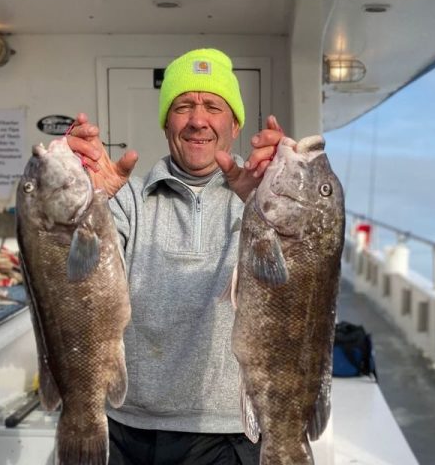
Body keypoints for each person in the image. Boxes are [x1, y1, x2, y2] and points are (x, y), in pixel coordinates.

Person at [67, 48, 284, 465]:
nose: (198, 119)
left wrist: (266, 201)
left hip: (230, 432)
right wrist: (81, 202)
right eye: (183, 106)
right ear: (167, 121)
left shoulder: (265, 199)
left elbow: (308, 281)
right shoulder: (127, 198)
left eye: (213, 107)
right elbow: (72, 278)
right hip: (126, 427)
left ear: (235, 124)